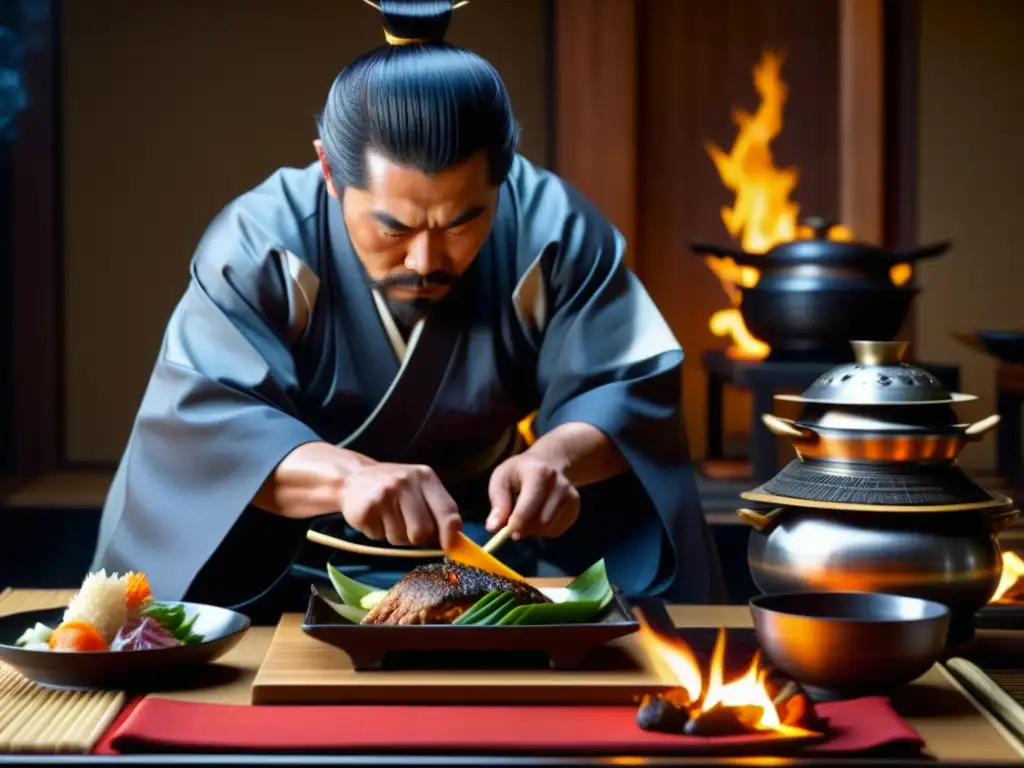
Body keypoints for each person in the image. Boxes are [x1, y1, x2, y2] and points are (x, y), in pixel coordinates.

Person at [90, 0, 724, 620]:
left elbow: (630, 394)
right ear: (330, 171)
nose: (425, 258)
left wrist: (551, 459)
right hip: (283, 556)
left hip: (486, 552)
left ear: (503, 178)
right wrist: (348, 480)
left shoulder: (552, 228)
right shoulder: (261, 244)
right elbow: (205, 429)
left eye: (463, 221)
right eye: (393, 227)